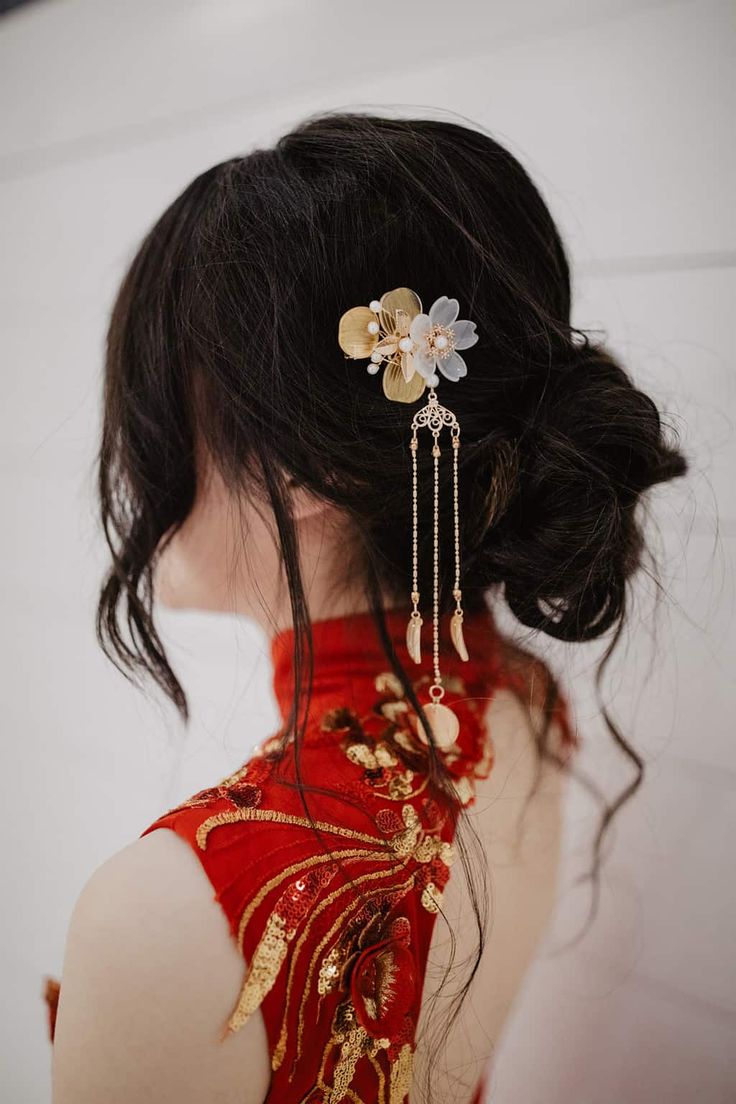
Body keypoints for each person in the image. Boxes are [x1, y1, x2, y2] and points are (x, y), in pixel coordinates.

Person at [46, 113, 687, 1103]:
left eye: (159, 412)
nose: (137, 463)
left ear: (307, 463)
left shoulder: (165, 913)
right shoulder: (523, 704)